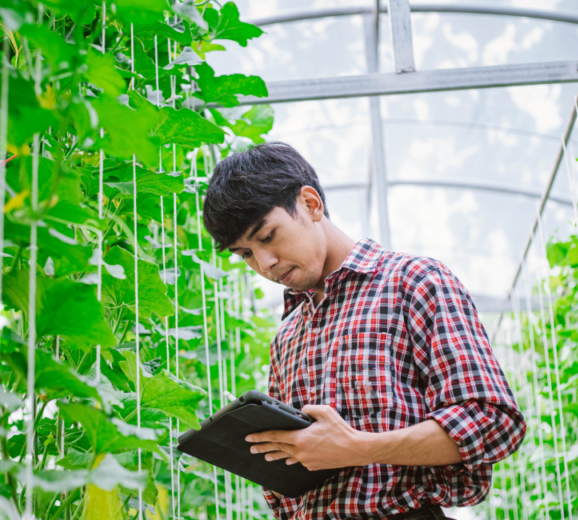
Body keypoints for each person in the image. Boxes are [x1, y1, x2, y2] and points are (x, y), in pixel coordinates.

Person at [201, 142, 527, 520]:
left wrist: (358, 448)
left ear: (310, 204)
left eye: (268, 236)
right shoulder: (287, 335)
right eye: (246, 254)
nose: (265, 263)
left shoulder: (415, 283)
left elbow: (492, 422)